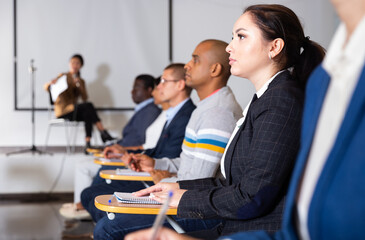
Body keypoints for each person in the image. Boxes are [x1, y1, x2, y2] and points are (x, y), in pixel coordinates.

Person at [127, 0, 365, 239]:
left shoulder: (281, 100)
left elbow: (252, 196)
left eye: (241, 37)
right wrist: (178, 188)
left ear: (274, 47)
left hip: (256, 229)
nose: (230, 47)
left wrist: (184, 198)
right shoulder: (266, 98)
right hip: (240, 225)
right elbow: (236, 183)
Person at [92, 39, 243, 240]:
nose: (187, 65)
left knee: (108, 228)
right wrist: (155, 163)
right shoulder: (206, 107)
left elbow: (196, 182)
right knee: (108, 215)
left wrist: (163, 181)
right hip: (186, 198)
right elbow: (190, 164)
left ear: (214, 69)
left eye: (195, 60)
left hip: (201, 210)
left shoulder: (217, 113)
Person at [80, 63, 197, 223]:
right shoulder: (173, 114)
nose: (158, 87)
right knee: (91, 195)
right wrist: (139, 158)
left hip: (162, 180)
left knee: (103, 215)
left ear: (180, 85)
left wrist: (146, 161)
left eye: (164, 81)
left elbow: (172, 157)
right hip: (154, 173)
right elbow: (159, 151)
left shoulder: (186, 115)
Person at [59, 76, 169, 220]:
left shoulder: (152, 112)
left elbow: (147, 146)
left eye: (137, 87)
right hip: (135, 158)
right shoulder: (154, 113)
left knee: (90, 170)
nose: (132, 91)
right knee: (89, 174)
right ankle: (85, 206)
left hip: (140, 163)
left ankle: (84, 207)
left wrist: (123, 152)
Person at [44, 54, 114, 150]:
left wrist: (79, 85)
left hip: (74, 111)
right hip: (64, 110)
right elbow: (46, 87)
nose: (74, 65)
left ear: (81, 66)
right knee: (88, 106)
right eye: (73, 62)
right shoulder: (63, 76)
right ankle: (103, 132)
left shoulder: (81, 81)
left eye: (77, 63)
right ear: (69, 64)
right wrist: (51, 83)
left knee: (88, 113)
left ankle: (88, 144)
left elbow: (85, 97)